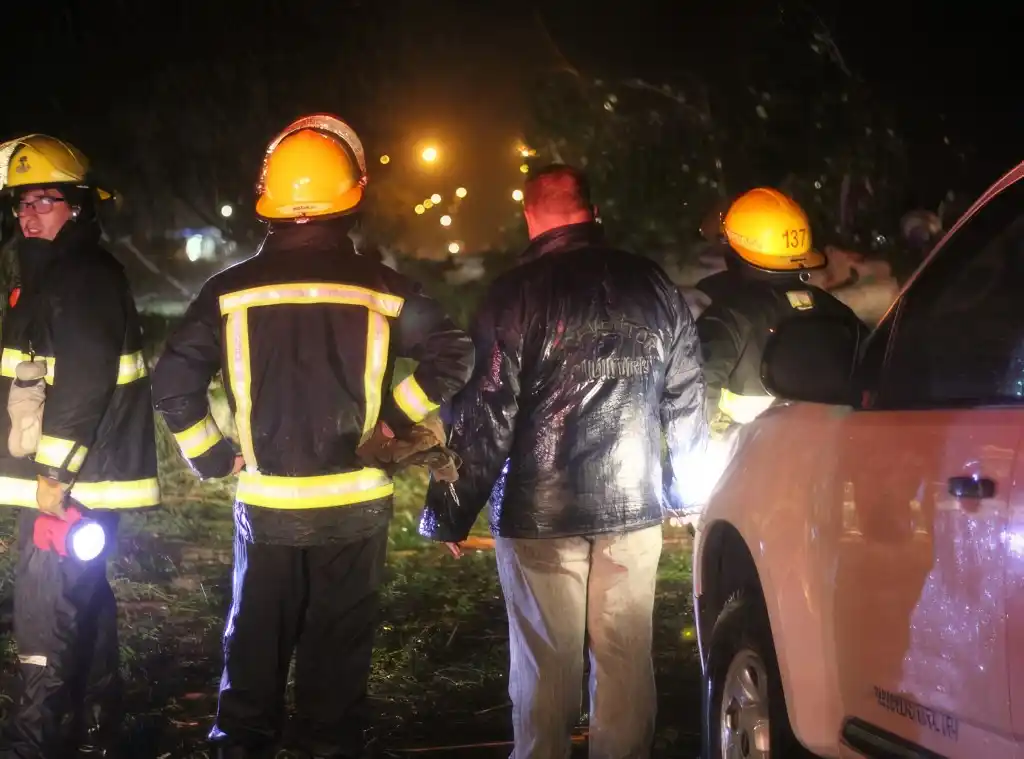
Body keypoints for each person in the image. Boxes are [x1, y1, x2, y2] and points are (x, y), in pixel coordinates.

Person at [152, 114, 474, 759]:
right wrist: (394, 420)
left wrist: (212, 456)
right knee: (336, 673)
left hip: (267, 509)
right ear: (351, 199)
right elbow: (455, 352)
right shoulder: (383, 289)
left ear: (269, 203)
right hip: (356, 508)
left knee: (253, 659)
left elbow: (173, 384)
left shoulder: (227, 292)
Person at [419, 164, 706, 758]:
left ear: (530, 216)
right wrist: (687, 491)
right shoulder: (653, 284)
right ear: (593, 213)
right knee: (626, 656)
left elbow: (488, 409)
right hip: (633, 505)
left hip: (539, 512)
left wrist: (451, 508)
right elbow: (685, 392)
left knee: (546, 663)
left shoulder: (515, 294)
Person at [0, 134, 160, 758]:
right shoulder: (48, 274)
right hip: (71, 480)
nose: (29, 213)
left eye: (45, 200)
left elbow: (85, 382)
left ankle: (33, 746)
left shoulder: (83, 277)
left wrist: (53, 475)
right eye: (22, 202)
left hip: (70, 484)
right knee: (81, 602)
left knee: (44, 619)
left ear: (79, 206)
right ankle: (99, 730)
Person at [695, 187, 865, 434]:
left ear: (733, 251)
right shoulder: (840, 313)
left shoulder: (729, 317)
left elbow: (694, 397)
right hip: (834, 450)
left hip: (752, 454)